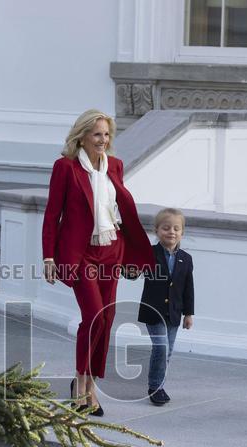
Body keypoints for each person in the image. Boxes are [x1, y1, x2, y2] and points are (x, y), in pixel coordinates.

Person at [42, 109, 154, 417]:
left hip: (111, 249)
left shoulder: (115, 166)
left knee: (107, 317)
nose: (103, 140)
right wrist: (49, 257)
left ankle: (92, 385)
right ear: (82, 136)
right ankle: (81, 385)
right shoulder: (65, 168)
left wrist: (131, 253)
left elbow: (121, 210)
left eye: (106, 134)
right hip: (80, 254)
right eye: (97, 134)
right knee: (92, 316)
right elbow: (53, 214)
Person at [136, 208, 194, 406]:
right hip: (153, 311)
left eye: (176, 228)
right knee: (161, 347)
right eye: (166, 228)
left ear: (182, 233)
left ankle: (160, 384)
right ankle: (155, 387)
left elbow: (188, 288)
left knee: (167, 351)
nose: (171, 232)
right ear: (156, 231)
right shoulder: (149, 254)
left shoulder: (186, 259)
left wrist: (189, 314)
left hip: (174, 313)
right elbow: (133, 272)